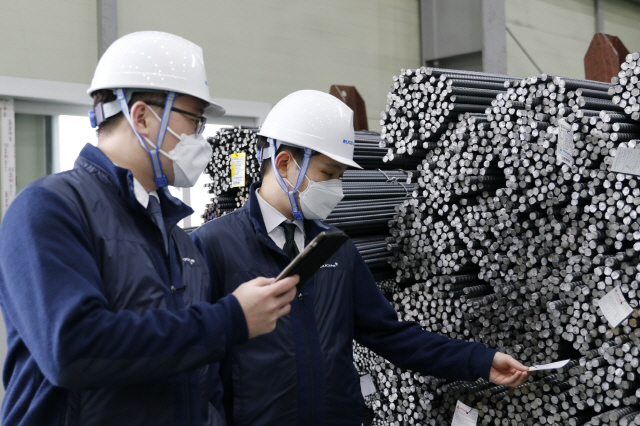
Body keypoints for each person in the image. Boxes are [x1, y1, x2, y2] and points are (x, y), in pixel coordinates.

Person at [0, 31, 297, 426]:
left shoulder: (177, 237)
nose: (199, 138)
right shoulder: (49, 207)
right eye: (194, 121)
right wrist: (230, 319)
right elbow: (72, 349)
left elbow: (197, 374)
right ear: (141, 116)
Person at [191, 90, 530, 425]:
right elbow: (197, 363)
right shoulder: (215, 245)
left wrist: (479, 360)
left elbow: (390, 335)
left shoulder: (334, 247)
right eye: (328, 173)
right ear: (284, 163)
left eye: (340, 176)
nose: (336, 188)